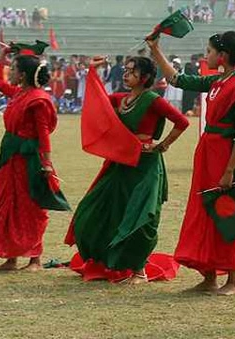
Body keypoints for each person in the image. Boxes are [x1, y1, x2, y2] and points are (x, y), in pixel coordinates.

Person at [148, 30, 235, 295]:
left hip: (225, 157)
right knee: (205, 213)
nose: (205, 56)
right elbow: (177, 79)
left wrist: (229, 170)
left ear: (222, 56)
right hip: (208, 154)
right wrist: (155, 50)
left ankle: (234, 281)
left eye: (209, 52)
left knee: (227, 212)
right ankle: (209, 277)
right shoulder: (217, 82)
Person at [65, 55, 190, 283]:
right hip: (120, 163)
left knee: (140, 216)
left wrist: (163, 145)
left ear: (145, 77)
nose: (126, 74)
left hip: (145, 165)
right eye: (126, 70)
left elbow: (182, 122)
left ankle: (139, 269)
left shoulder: (153, 100)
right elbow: (96, 101)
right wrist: (93, 72)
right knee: (96, 209)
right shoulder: (120, 99)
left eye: (132, 71)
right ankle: (107, 259)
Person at [0, 41, 69, 270]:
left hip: (30, 159)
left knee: (31, 207)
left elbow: (43, 133)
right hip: (10, 158)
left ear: (23, 75)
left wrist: (46, 164)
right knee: (9, 205)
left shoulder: (38, 99)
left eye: (13, 69)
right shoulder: (19, 93)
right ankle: (11, 257)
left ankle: (35, 258)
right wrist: (2, 57)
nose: (10, 72)